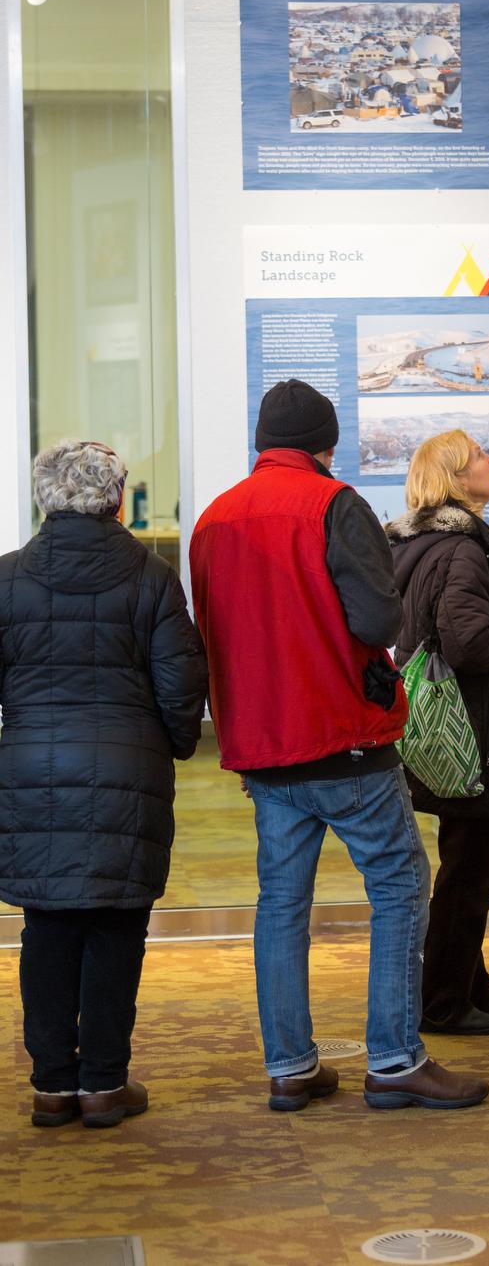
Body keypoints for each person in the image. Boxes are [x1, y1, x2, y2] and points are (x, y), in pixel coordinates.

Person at [189, 380, 488, 1112]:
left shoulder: (213, 519)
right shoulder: (335, 504)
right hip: (341, 735)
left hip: (263, 745)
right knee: (399, 886)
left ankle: (290, 1065)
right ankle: (394, 1059)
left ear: (263, 442)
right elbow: (378, 622)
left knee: (281, 904)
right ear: (326, 444)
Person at [0, 439, 207, 1129]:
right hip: (126, 768)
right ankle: (104, 1084)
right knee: (118, 927)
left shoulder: (7, 578)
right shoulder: (151, 576)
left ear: (44, 499)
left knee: (45, 928)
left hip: (31, 773)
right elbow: (181, 682)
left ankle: (52, 1086)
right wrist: (175, 745)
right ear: (118, 499)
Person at [386, 430, 489, 1035]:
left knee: (468, 857)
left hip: (443, 720)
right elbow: (470, 645)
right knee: (471, 869)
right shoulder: (461, 551)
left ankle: (467, 980)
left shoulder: (419, 545)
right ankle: (443, 1001)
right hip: (470, 727)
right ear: (457, 480)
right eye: (481, 456)